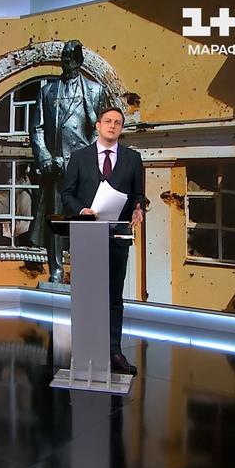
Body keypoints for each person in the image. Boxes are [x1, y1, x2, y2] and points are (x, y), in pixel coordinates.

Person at [61, 106, 145, 375]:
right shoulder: (79, 157)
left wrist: (139, 209)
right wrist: (81, 210)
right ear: (97, 126)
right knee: (86, 296)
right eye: (108, 121)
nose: (112, 125)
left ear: (121, 128)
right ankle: (84, 349)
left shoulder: (133, 159)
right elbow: (67, 194)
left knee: (113, 298)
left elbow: (138, 195)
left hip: (117, 235)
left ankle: (113, 351)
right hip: (87, 235)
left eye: (118, 122)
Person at [29, 40, 108, 283]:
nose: (66, 61)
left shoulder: (95, 90)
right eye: (64, 56)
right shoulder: (47, 91)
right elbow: (37, 128)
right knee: (56, 220)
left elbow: (100, 131)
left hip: (81, 168)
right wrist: (44, 156)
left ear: (79, 60)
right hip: (54, 168)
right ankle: (55, 269)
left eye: (71, 57)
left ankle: (83, 269)